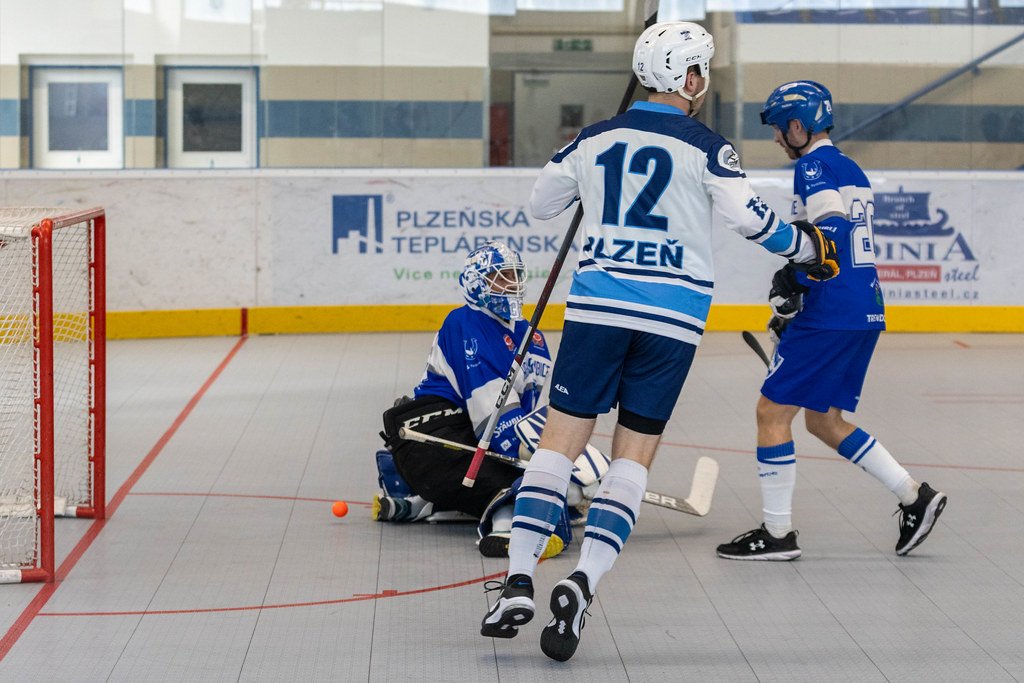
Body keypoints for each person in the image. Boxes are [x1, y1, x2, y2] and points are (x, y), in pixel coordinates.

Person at [479, 22, 840, 661]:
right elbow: (753, 222)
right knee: (631, 460)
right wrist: (809, 247)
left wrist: (593, 175)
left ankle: (517, 579)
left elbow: (542, 204)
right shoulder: (708, 146)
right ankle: (584, 582)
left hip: (596, 310)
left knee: (559, 445)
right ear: (689, 79)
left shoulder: (594, 138)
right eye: (702, 70)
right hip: (670, 322)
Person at [716, 81, 948, 562]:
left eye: (781, 129)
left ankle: (777, 534)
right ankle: (914, 496)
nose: (778, 138)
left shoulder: (813, 164)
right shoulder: (850, 166)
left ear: (798, 126)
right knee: (823, 420)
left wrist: (796, 278)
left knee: (771, 413)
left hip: (831, 309)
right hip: (864, 307)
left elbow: (832, 229)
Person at [373, 240, 606, 558]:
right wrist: (553, 466)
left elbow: (526, 418)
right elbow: (493, 424)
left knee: (568, 486)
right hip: (435, 440)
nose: (509, 284)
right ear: (474, 283)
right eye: (499, 277)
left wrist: (563, 455)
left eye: (513, 275)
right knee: (553, 486)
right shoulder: (466, 323)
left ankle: (417, 500)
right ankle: (509, 526)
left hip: (466, 441)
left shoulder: (533, 339)